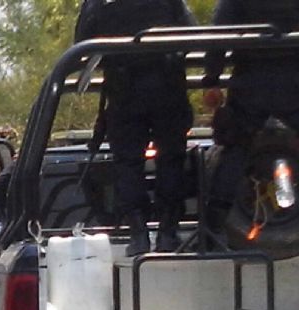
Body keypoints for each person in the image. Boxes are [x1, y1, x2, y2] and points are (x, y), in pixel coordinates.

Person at [75, 0, 196, 256]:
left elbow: (82, 44)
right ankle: (167, 232)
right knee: (171, 159)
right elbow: (191, 32)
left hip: (124, 92)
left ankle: (139, 233)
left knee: (128, 163)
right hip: (167, 88)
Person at [203, 0, 299, 230]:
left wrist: (212, 79)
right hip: (294, 77)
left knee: (236, 148)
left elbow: (218, 35)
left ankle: (215, 226)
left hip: (250, 79)